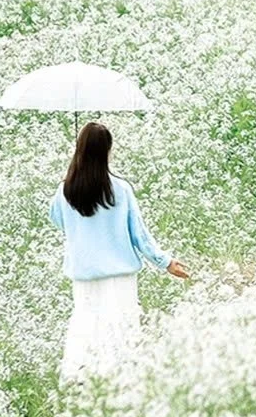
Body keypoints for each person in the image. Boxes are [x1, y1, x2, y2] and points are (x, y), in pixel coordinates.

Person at [48, 120, 188, 379]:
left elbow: (58, 220)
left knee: (84, 324)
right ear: (107, 152)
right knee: (120, 328)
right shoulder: (120, 189)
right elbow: (139, 235)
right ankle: (119, 383)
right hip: (119, 273)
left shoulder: (65, 190)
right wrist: (166, 262)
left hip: (84, 272)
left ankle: (78, 378)